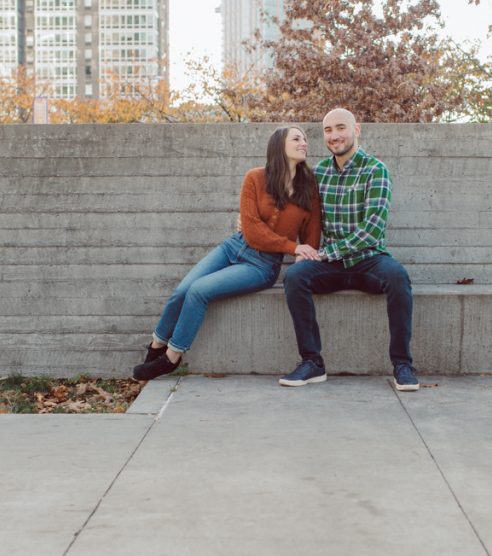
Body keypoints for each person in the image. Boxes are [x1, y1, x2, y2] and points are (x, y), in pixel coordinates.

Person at [133, 126, 321, 381]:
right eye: (297, 138)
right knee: (182, 290)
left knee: (199, 291)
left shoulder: (309, 188)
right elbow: (252, 230)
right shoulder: (255, 178)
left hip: (262, 266)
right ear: (279, 145)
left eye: (305, 139)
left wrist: (301, 255)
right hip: (233, 247)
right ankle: (156, 347)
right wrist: (293, 246)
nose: (304, 143)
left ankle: (171, 358)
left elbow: (311, 236)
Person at [278, 108, 419, 391]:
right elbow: (291, 208)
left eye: (340, 128)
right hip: (331, 266)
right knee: (294, 277)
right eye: (328, 130)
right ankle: (312, 362)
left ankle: (402, 364)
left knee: (398, 277)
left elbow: (372, 230)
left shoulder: (376, 170)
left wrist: (326, 253)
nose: (334, 136)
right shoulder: (318, 173)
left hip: (369, 260)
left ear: (357, 129)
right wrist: (249, 221)